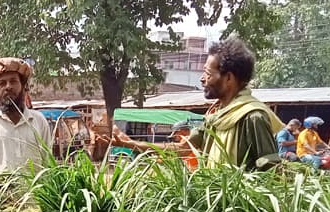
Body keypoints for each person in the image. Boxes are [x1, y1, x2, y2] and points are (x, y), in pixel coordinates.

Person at [113, 37, 283, 171]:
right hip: (214, 210)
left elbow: (270, 172)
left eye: (208, 73)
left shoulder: (253, 117)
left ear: (229, 78)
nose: (202, 79)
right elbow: (182, 149)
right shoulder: (214, 116)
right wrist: (130, 144)